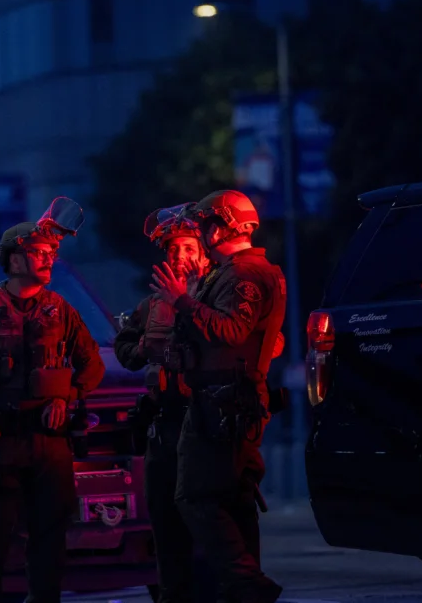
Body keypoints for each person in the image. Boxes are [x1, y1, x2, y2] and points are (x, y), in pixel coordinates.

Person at [0, 197, 106, 603]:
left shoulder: (60, 310)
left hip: (50, 443)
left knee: (49, 543)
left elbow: (93, 365)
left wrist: (70, 396)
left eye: (51, 253)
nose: (48, 259)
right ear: (14, 261)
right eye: (39, 253)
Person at [150, 190, 287, 603]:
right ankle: (243, 588)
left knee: (193, 497)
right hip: (228, 403)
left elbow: (231, 331)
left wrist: (182, 301)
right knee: (235, 501)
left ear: (220, 227)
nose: (204, 233)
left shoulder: (243, 274)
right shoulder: (238, 271)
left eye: (206, 225)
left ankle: (248, 584)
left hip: (223, 404)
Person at [114, 203, 209, 603]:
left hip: (207, 426)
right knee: (165, 527)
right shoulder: (152, 305)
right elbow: (124, 346)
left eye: (188, 248)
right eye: (173, 250)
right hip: (164, 429)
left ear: (203, 254)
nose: (180, 257)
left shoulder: (220, 292)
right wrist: (142, 350)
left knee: (207, 526)